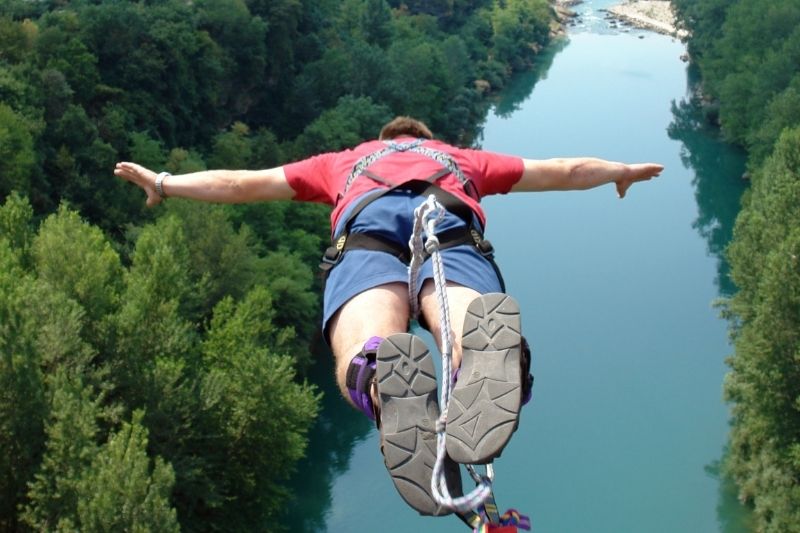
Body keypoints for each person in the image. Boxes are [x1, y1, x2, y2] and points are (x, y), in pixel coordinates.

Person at [115, 116, 663, 518]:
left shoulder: (341, 163)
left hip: (366, 226)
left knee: (368, 345)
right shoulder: (461, 159)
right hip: (446, 217)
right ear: (425, 138)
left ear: (383, 141)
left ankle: (378, 377)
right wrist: (621, 171)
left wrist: (163, 182)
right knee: (467, 318)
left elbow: (241, 184)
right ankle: (482, 352)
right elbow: (563, 170)